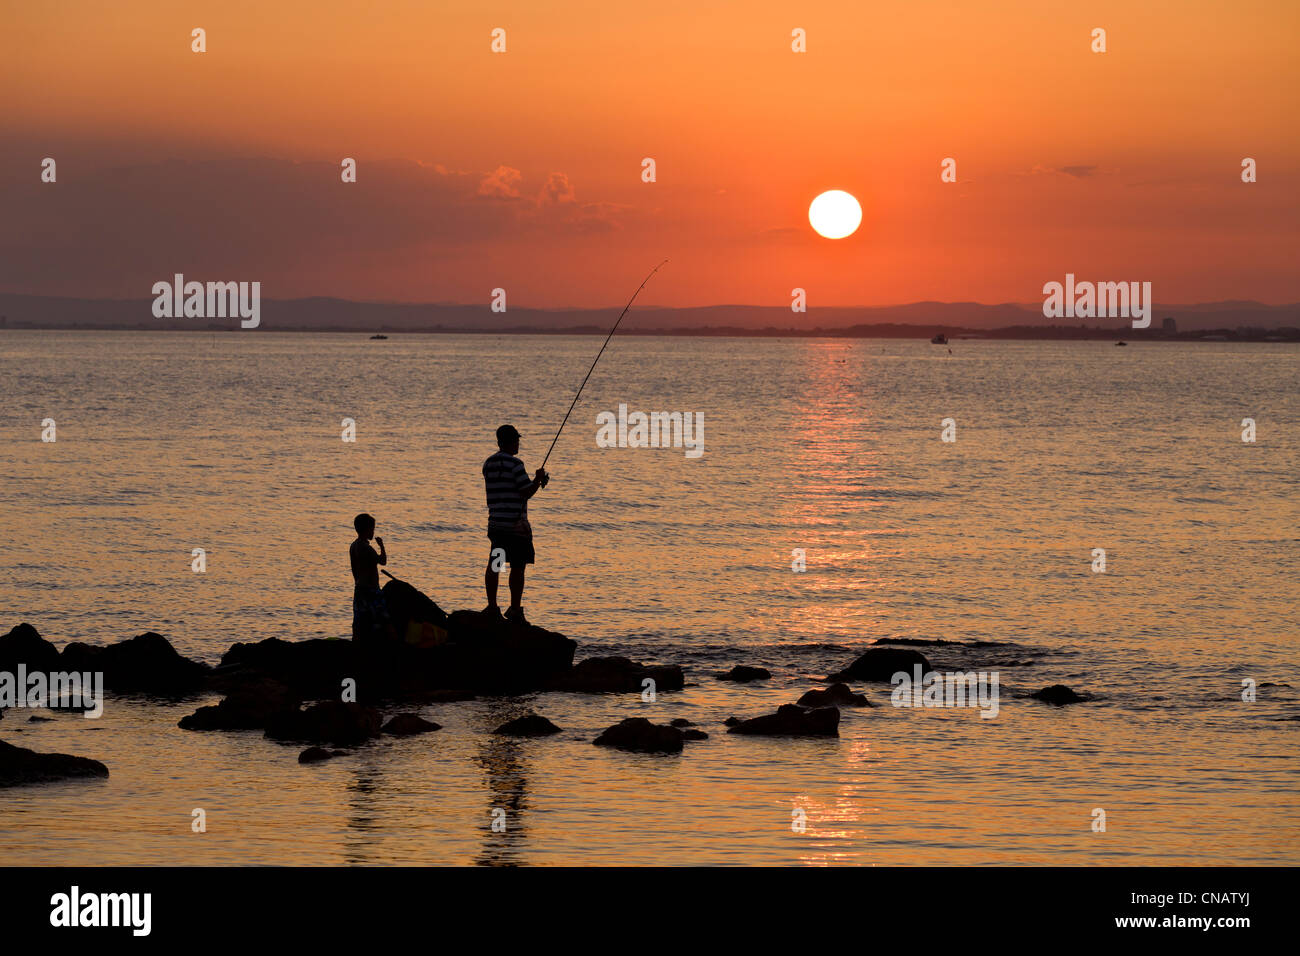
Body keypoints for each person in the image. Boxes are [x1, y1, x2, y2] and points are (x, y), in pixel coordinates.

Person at [482, 424, 548, 624]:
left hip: (496, 525)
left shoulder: (488, 464)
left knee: (496, 564)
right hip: (515, 527)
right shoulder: (516, 464)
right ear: (511, 442)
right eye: (517, 440)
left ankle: (492, 607)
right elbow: (525, 492)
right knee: (518, 567)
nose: (518, 443)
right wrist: (537, 480)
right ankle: (515, 609)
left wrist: (534, 481)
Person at [349, 513, 392, 643]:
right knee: (383, 619)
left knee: (360, 621)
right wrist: (382, 546)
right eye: (372, 529)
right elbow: (383, 561)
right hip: (371, 590)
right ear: (366, 529)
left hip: (359, 588)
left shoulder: (353, 546)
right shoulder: (366, 548)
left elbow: (354, 569)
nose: (373, 531)